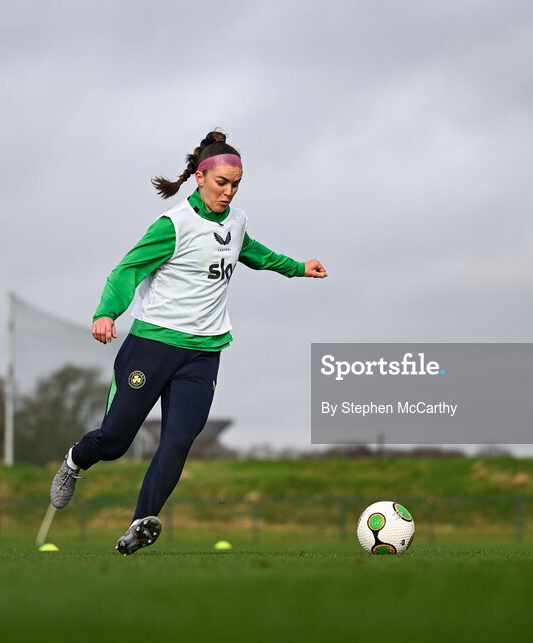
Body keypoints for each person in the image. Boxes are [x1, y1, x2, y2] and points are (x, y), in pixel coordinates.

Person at [49, 130, 326, 554]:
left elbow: (251, 251)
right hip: (152, 346)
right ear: (200, 177)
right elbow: (127, 270)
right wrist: (106, 312)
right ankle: (73, 462)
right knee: (115, 441)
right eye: (221, 183)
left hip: (204, 352)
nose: (229, 192)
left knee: (177, 440)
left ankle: (139, 524)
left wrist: (297, 267)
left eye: (236, 185)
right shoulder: (173, 225)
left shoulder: (237, 221)